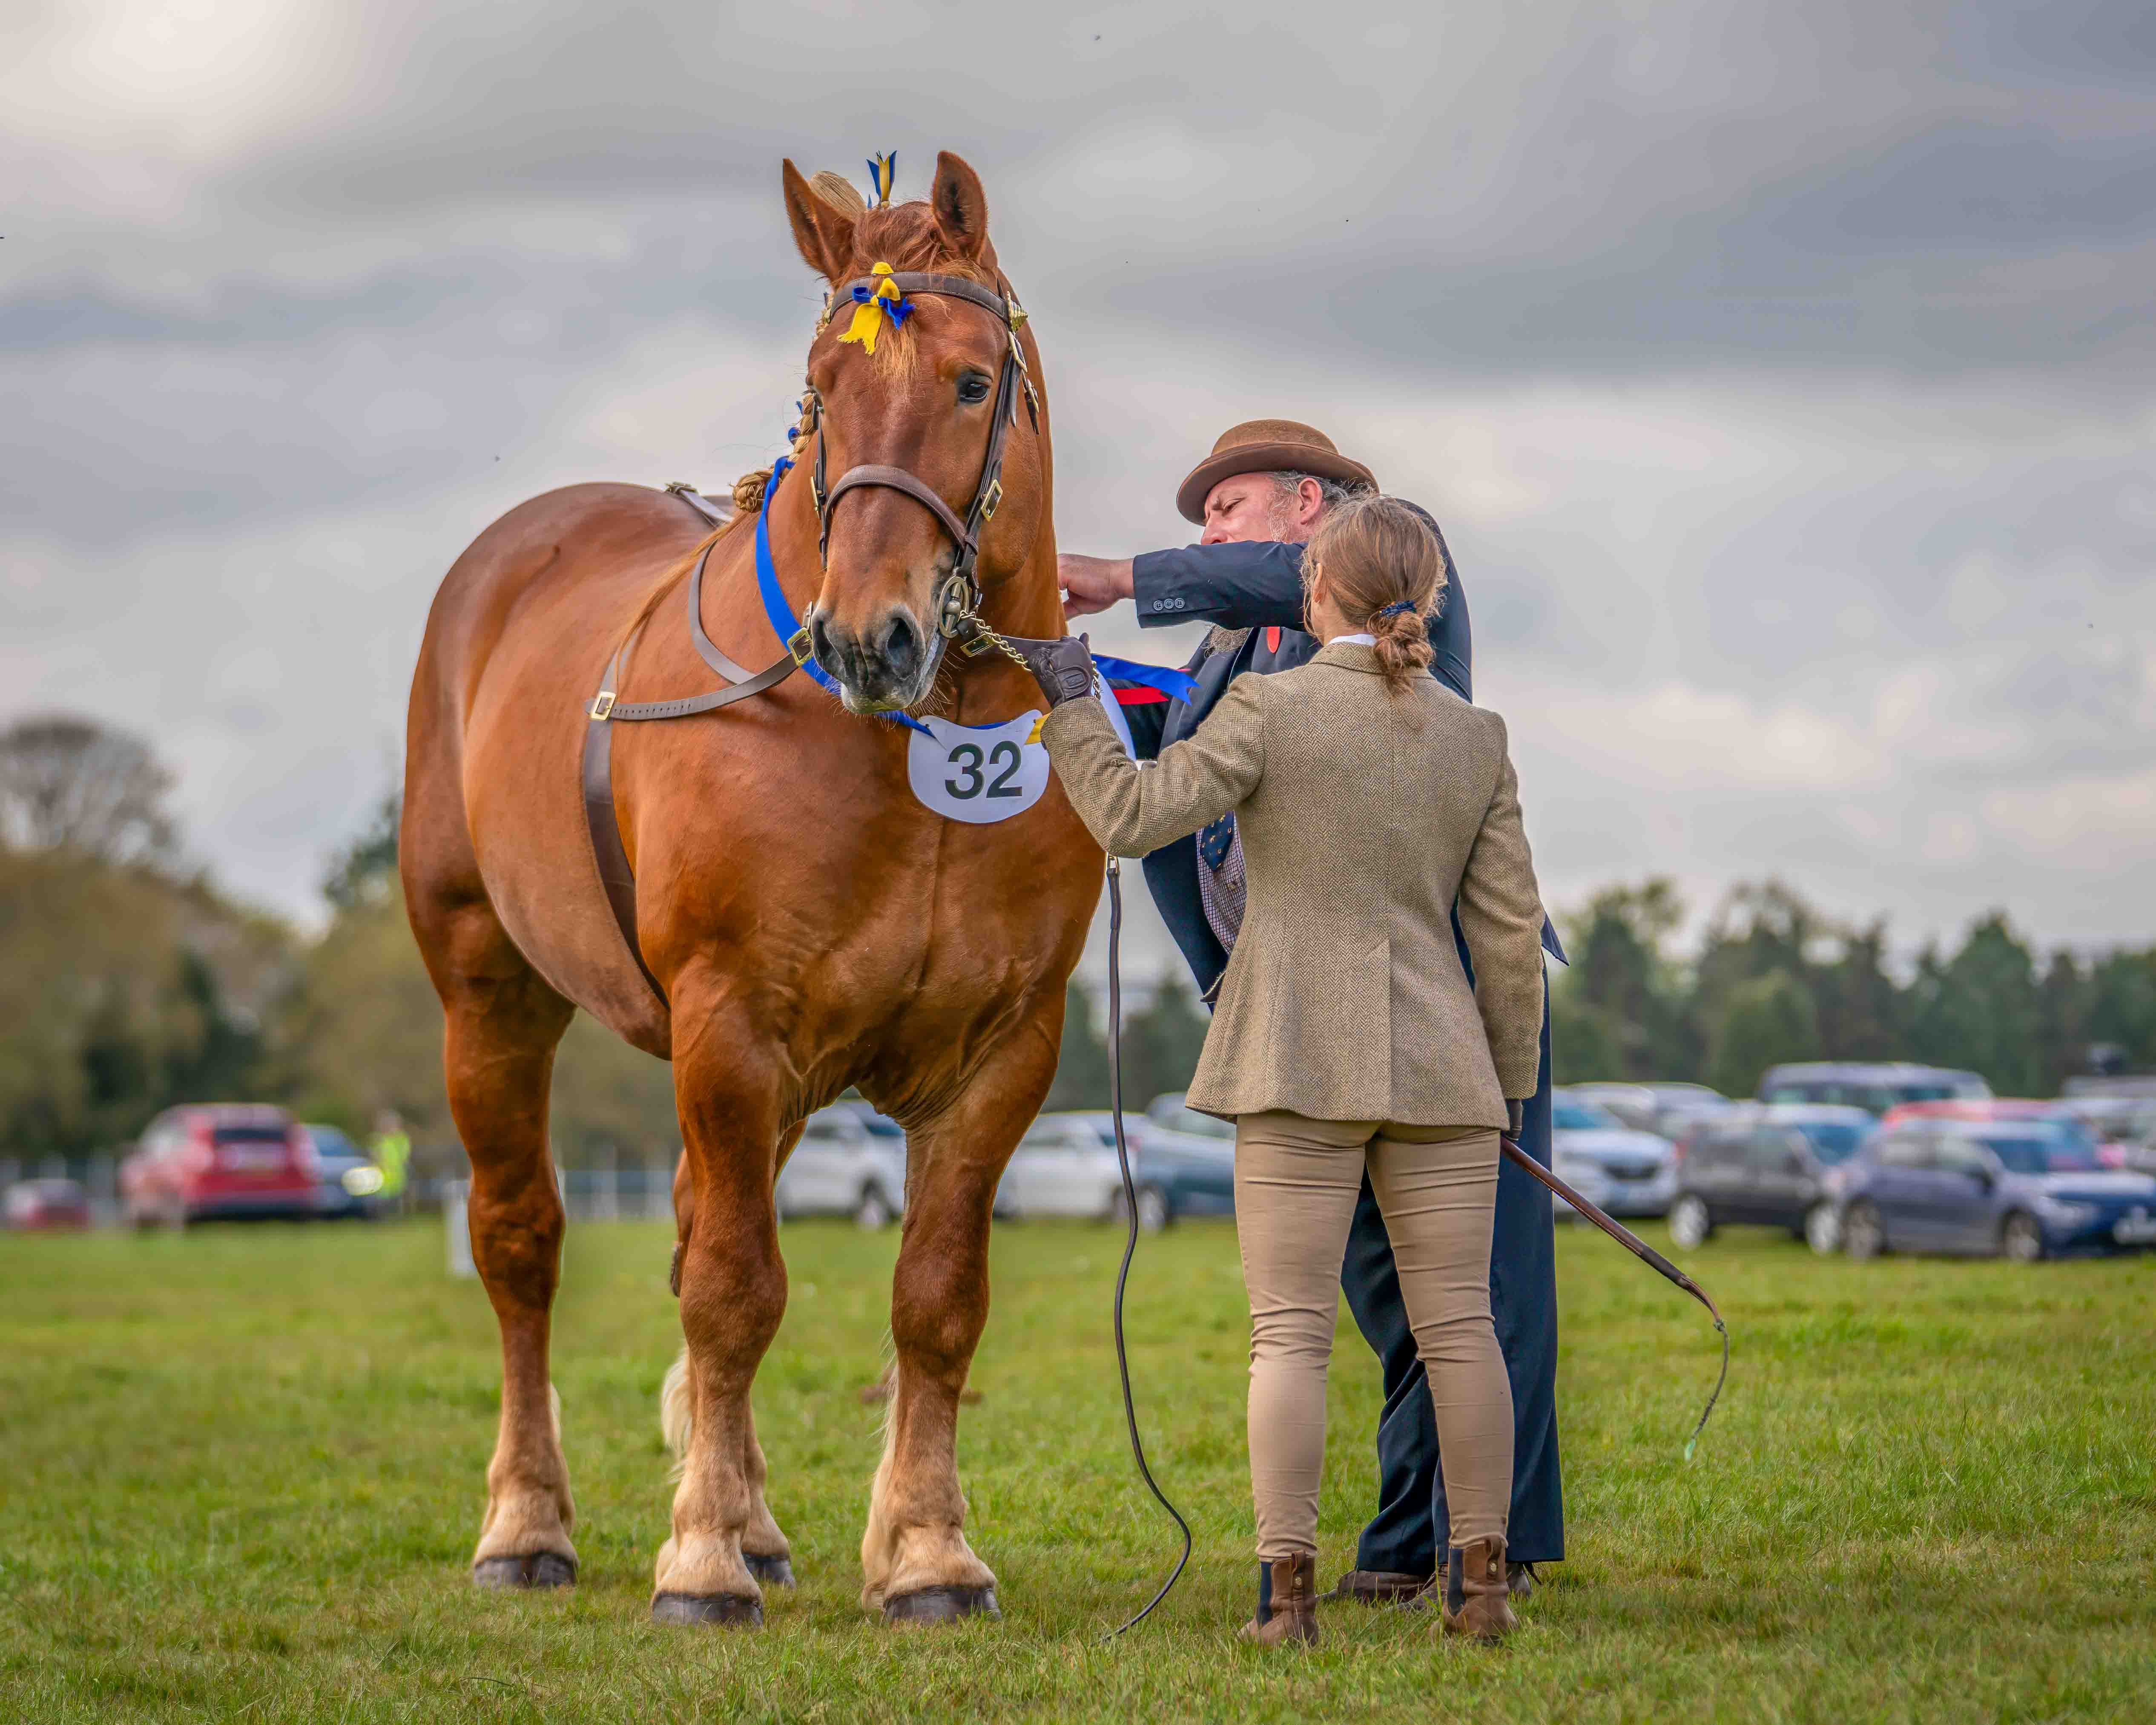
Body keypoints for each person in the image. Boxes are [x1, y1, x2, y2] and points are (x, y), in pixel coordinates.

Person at [1019, 497, 1547, 1644]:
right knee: (1461, 1330)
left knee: (1291, 1334)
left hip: (1293, 1057)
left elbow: (1132, 816)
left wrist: (1070, 698)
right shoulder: (1478, 737)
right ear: (1426, 600)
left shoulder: (1268, 708)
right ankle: (1484, 1591)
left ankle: (1287, 1600)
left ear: (1315, 593)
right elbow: (1509, 937)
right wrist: (1504, 1088)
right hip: (1446, 1071)